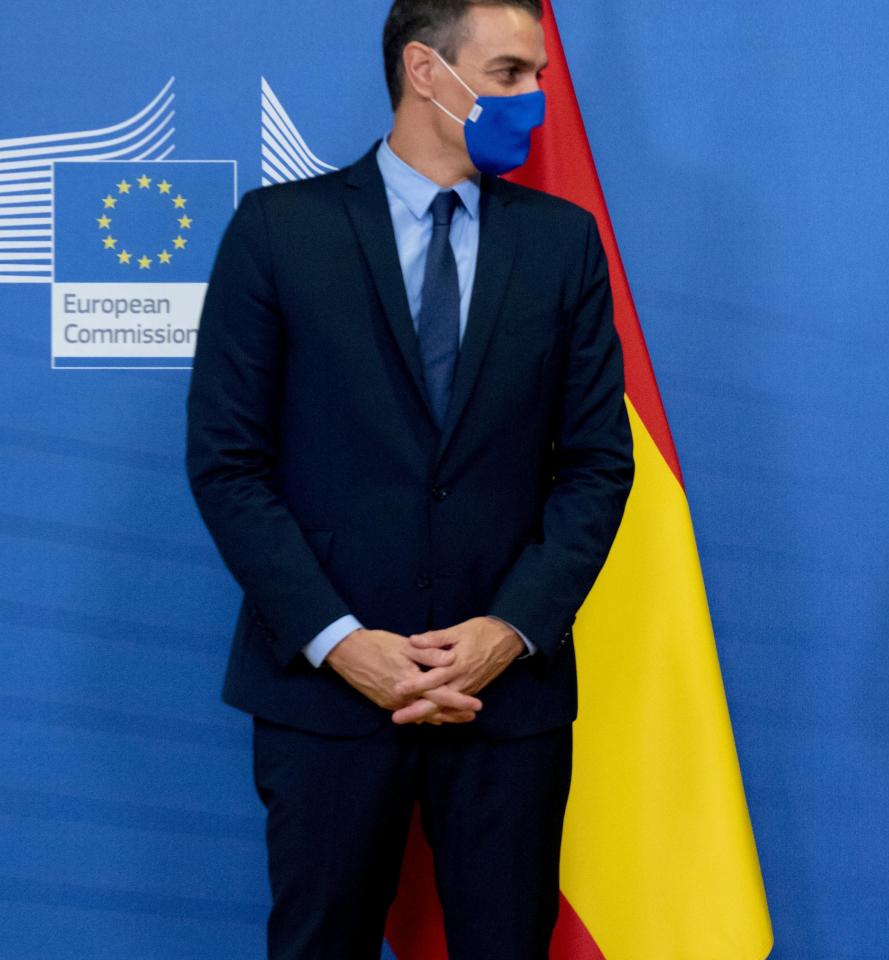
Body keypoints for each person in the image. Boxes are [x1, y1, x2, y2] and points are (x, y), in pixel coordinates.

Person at [185, 1, 633, 956]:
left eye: (541, 77)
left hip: (503, 700)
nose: (536, 100)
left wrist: (506, 632)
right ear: (427, 72)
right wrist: (343, 644)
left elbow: (597, 464)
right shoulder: (277, 232)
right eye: (511, 74)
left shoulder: (563, 244)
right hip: (324, 700)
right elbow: (228, 464)